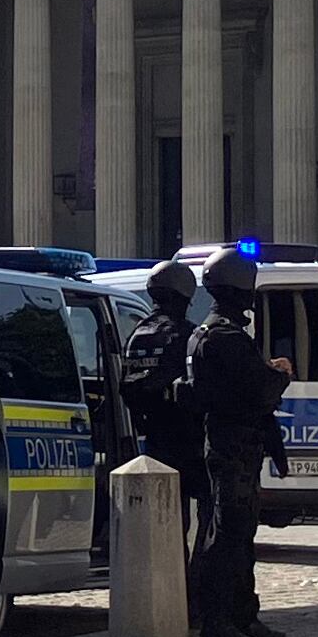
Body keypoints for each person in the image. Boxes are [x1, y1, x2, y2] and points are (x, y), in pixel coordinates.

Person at [184, 247, 293, 637]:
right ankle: (220, 619)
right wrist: (279, 376)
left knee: (240, 534)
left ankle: (244, 614)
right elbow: (259, 392)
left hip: (231, 442)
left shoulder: (207, 333)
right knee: (228, 535)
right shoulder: (227, 337)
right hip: (234, 445)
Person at [121, 260, 210, 615]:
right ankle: (194, 595)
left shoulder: (137, 335)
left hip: (153, 439)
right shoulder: (187, 335)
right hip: (188, 439)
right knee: (207, 516)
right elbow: (199, 389)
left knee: (164, 526)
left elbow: (127, 387)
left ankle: (165, 595)